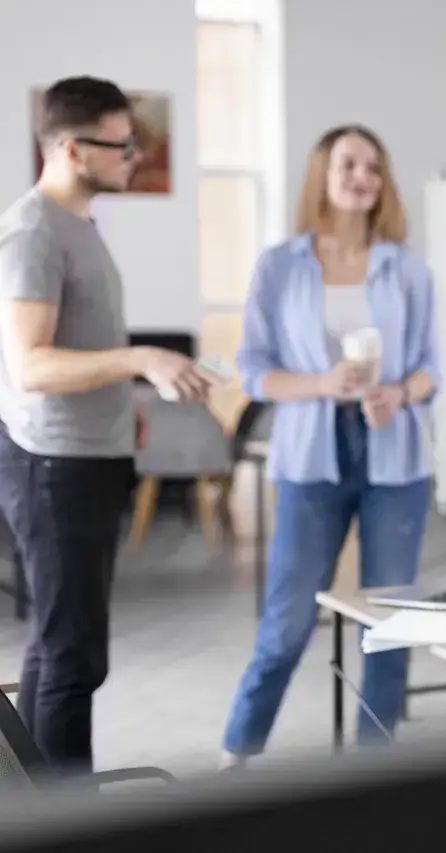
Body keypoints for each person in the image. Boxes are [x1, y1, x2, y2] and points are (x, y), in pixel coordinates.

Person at [0, 76, 212, 773]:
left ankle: (39, 801)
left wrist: (126, 405)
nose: (134, 156)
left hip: (90, 454)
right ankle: (67, 817)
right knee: (71, 654)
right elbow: (30, 365)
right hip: (53, 464)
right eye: (120, 145)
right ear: (71, 149)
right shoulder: (33, 231)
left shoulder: (79, 225)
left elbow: (81, 345)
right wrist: (142, 358)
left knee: (61, 647)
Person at [220, 125, 440, 766]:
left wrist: (398, 393)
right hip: (308, 457)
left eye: (373, 166)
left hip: (395, 457)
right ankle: (238, 753)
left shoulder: (407, 266)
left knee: (388, 620)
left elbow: (433, 369)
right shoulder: (279, 266)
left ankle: (375, 767)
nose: (361, 176)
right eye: (348, 164)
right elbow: (253, 371)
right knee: (287, 620)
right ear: (323, 173)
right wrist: (322, 383)